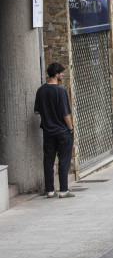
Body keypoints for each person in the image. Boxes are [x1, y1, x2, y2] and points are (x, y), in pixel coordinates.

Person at [34, 62, 75, 199]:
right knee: (64, 160)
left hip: (48, 132)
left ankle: (50, 191)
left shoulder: (41, 90)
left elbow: (36, 111)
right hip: (63, 131)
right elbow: (66, 114)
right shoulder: (60, 91)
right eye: (61, 73)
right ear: (56, 74)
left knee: (48, 161)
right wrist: (71, 128)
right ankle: (64, 190)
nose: (62, 75)